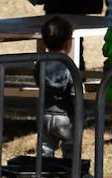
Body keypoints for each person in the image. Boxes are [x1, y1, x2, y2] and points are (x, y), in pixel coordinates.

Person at [38, 14, 76, 157]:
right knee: (70, 150)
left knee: (45, 149)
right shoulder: (69, 66)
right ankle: (69, 175)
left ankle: (44, 175)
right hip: (66, 117)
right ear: (68, 43)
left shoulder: (40, 65)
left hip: (45, 114)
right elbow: (74, 94)